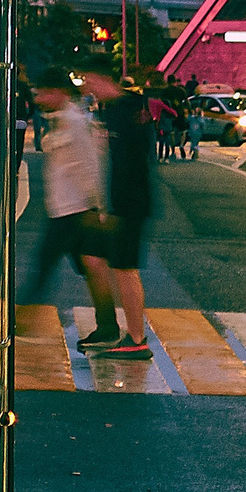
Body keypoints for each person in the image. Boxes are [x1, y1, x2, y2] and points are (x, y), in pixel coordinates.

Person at [25, 64, 120, 341]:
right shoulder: (62, 118)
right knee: (92, 266)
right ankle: (107, 325)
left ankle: (23, 320)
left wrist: (99, 207)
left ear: (59, 93)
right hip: (67, 207)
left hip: (75, 211)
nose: (39, 97)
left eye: (44, 92)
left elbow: (91, 165)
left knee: (45, 264)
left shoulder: (76, 122)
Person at [72, 59, 154, 355]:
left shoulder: (126, 111)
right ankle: (117, 330)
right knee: (99, 259)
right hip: (124, 202)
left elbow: (129, 164)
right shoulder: (126, 107)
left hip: (128, 204)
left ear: (104, 80)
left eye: (91, 83)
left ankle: (136, 339)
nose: (89, 90)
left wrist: (111, 207)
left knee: (125, 268)